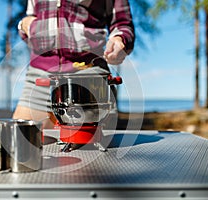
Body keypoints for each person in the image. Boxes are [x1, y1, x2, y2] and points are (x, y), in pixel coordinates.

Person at [12, 0, 135, 129]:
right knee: (21, 140)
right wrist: (25, 25)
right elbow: (32, 15)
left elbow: (122, 24)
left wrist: (120, 39)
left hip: (89, 75)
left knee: (93, 146)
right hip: (40, 73)